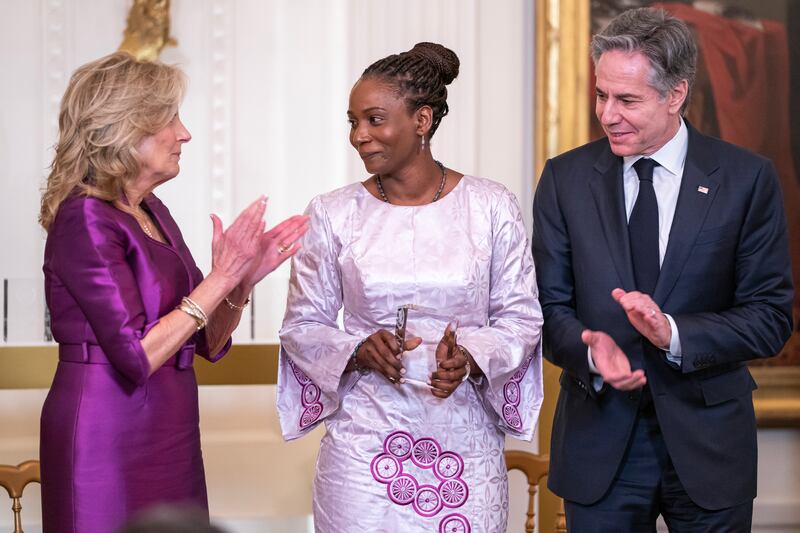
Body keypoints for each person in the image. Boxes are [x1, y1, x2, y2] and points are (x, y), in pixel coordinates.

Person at [532, 7, 793, 532]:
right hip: (598, 446)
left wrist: (673, 333)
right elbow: (546, 307)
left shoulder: (746, 180)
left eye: (627, 99)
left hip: (709, 446)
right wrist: (587, 344)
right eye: (602, 94)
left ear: (675, 94)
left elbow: (770, 316)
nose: (607, 114)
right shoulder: (565, 179)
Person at [277, 42, 543, 532]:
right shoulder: (333, 214)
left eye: (375, 119)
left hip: (463, 444)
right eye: (352, 122)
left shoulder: (491, 207)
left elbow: (521, 317)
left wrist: (471, 355)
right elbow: (303, 325)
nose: (359, 136)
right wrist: (358, 350)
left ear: (422, 120)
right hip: (363, 450)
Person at [38, 51, 308, 533]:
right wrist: (222, 277)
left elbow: (203, 339)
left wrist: (243, 279)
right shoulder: (85, 217)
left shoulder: (153, 210)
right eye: (170, 119)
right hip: (107, 426)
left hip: (170, 424)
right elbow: (136, 355)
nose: (184, 134)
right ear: (124, 127)